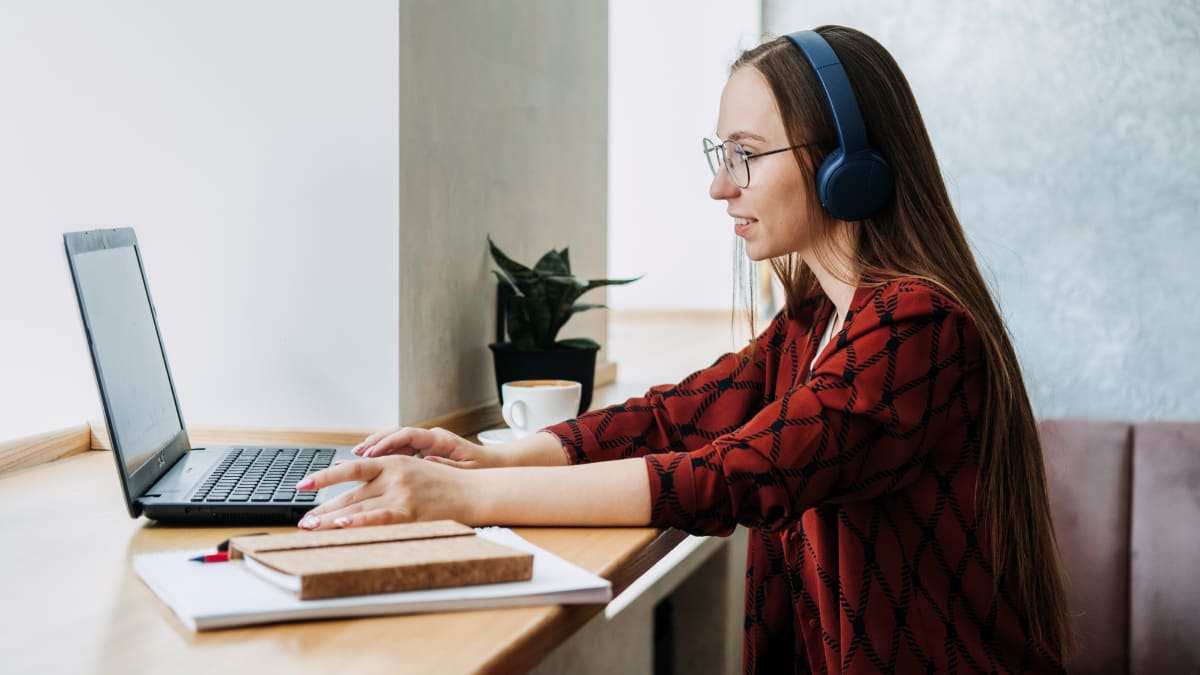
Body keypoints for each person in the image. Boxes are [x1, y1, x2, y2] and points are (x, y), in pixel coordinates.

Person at [295, 25, 1072, 673]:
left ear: (847, 167)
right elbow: (679, 417)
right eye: (720, 155)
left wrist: (463, 500)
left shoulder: (917, 329)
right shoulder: (815, 323)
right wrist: (493, 461)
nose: (720, 187)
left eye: (746, 155)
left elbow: (734, 473)